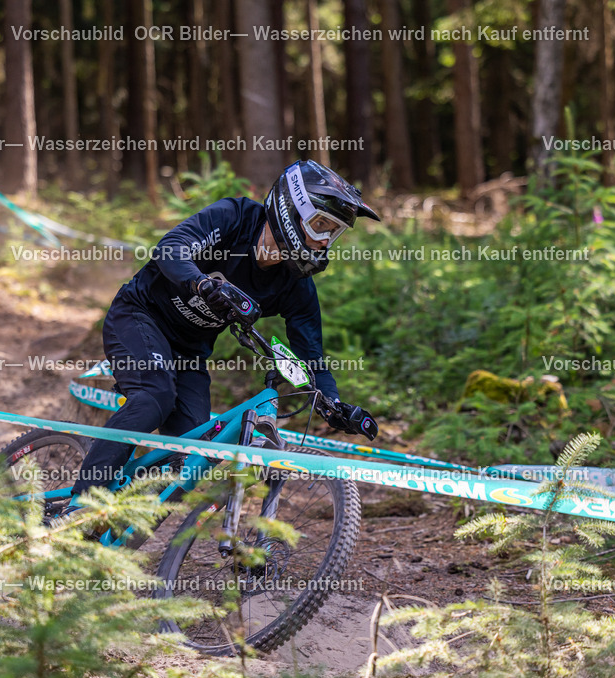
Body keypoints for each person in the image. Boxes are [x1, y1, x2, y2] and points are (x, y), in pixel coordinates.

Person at [55, 160, 379, 522]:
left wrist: (333, 404)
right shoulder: (235, 218)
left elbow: (311, 356)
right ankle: (80, 505)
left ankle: (115, 527)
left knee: (194, 452)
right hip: (139, 316)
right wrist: (200, 282)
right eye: (321, 225)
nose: (323, 241)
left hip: (189, 351)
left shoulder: (295, 285)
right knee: (153, 398)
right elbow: (170, 249)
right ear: (293, 209)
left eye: (333, 232)